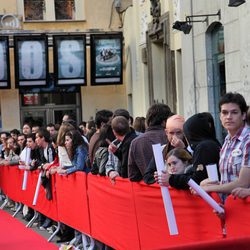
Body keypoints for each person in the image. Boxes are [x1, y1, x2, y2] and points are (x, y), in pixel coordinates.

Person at [200, 92, 250, 196]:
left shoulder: (248, 141)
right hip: (228, 207)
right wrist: (207, 184)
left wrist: (209, 189)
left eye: (234, 112)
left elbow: (243, 184)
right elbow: (227, 181)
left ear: (244, 115)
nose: (229, 117)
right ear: (220, 116)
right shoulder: (227, 140)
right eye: (225, 112)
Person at [155, 112, 221, 189]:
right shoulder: (210, 144)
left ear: (192, 133)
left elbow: (197, 179)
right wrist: (169, 177)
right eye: (171, 133)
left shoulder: (204, 147)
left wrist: (171, 179)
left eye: (180, 133)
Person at [128, 103, 172, 181]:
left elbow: (133, 175)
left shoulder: (136, 142)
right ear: (164, 122)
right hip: (173, 188)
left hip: (148, 189)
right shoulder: (171, 137)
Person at [144, 114, 187, 184]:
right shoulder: (161, 150)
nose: (174, 136)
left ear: (184, 132)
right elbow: (147, 176)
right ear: (166, 132)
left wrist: (184, 149)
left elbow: (194, 175)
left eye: (178, 132)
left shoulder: (192, 149)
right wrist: (159, 177)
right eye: (171, 133)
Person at [106, 116, 137, 182]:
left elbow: (125, 169)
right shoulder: (134, 138)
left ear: (114, 132)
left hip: (131, 184)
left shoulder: (128, 143)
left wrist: (119, 176)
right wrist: (117, 152)